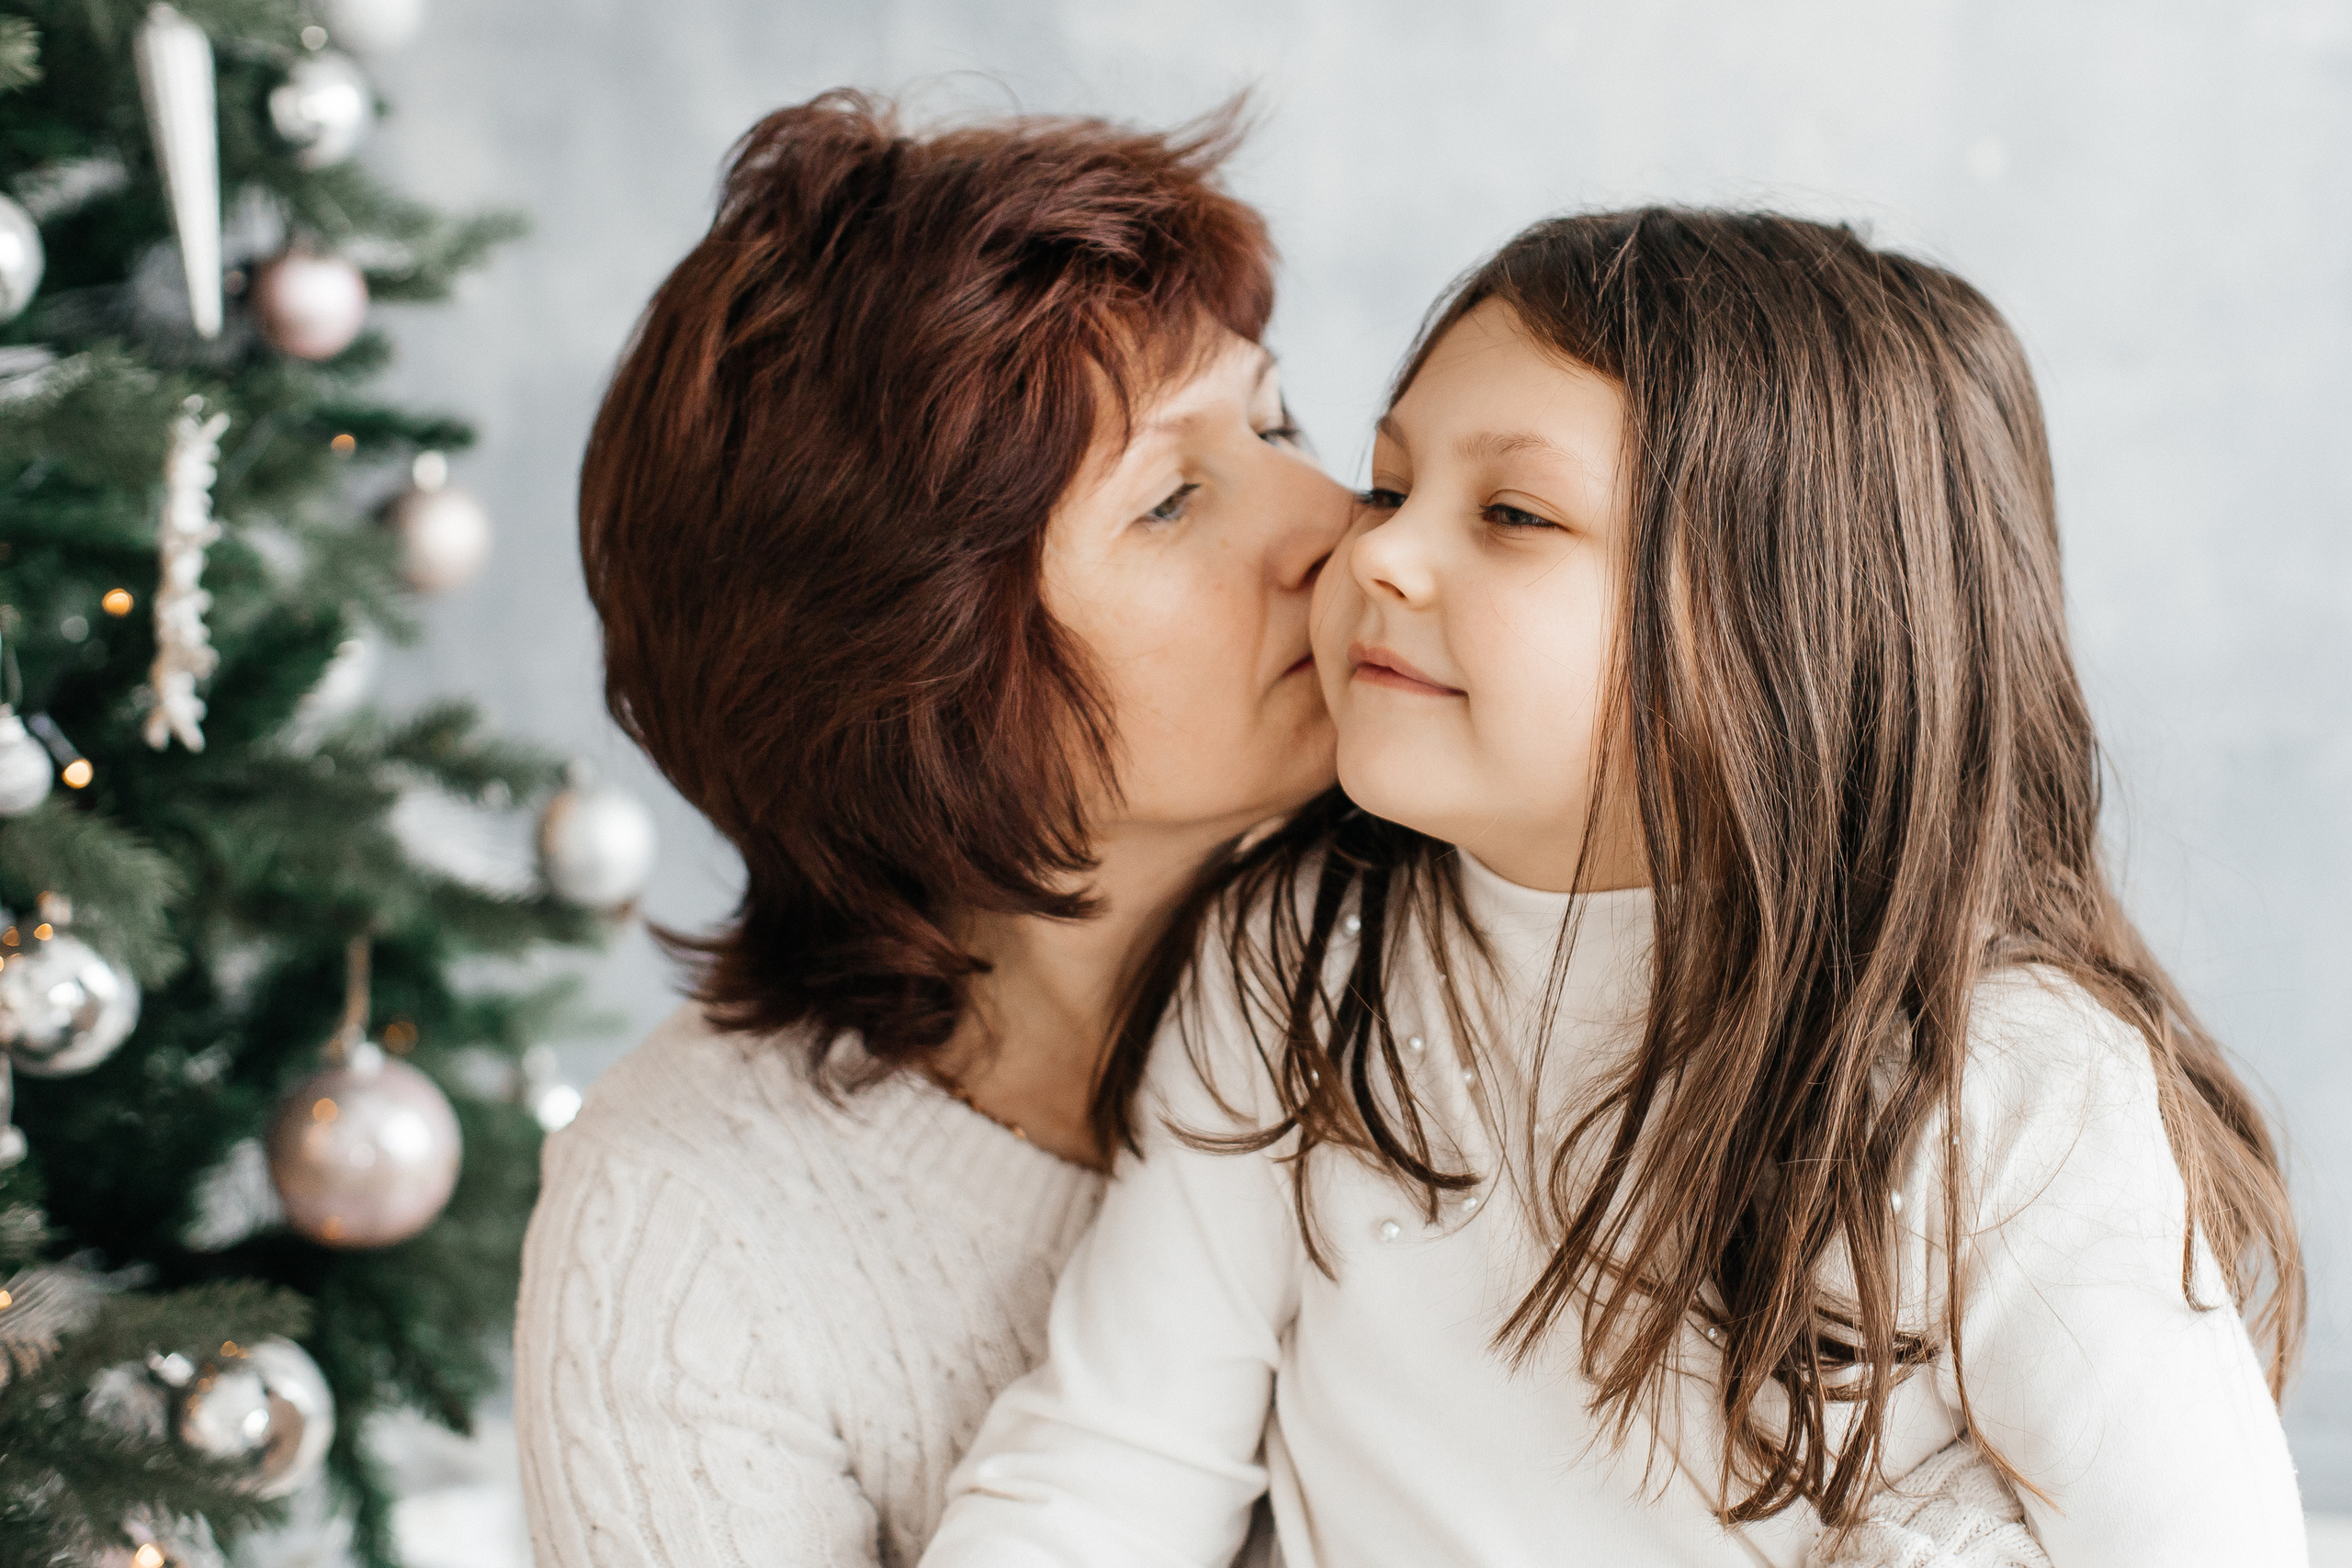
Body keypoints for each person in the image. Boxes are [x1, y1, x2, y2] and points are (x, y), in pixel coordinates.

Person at [518, 95, 2052, 1567]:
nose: (1345, 526)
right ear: (917, 673)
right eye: (1175, 500)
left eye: (1282, 420)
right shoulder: (683, 1235)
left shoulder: (1533, 909)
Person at [921, 210, 2308, 1568]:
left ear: (1783, 636)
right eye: (1393, 487)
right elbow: (1114, 1460)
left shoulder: (1999, 1086)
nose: (1377, 553)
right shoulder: (1299, 954)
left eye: (1512, 514)